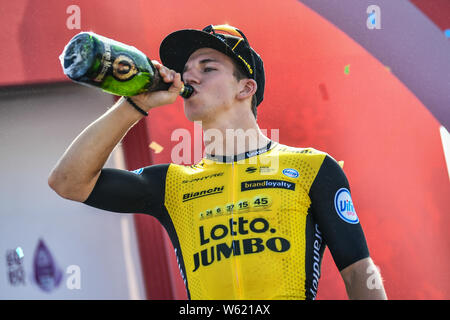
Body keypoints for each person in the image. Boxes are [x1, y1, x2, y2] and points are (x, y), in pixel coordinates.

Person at [48, 24, 387, 300]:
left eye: (207, 68)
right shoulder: (172, 183)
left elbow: (360, 273)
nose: (189, 77)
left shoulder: (312, 168)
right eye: (186, 70)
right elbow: (67, 181)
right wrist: (134, 104)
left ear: (246, 88)